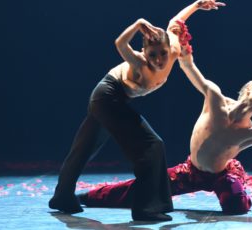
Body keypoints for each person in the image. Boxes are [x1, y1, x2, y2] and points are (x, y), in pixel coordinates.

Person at [76, 26, 252, 214]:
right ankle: (87, 196)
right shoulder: (215, 98)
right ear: (247, 91)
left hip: (221, 175)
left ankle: (237, 184)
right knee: (143, 191)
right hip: (190, 172)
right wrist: (184, 47)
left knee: (236, 206)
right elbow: (190, 69)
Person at [48, 0, 226, 222]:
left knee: (84, 148)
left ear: (170, 49)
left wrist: (198, 5)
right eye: (152, 55)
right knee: (152, 145)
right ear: (144, 52)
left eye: (162, 53)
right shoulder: (139, 62)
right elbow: (120, 43)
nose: (158, 60)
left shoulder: (173, 48)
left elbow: (175, 22)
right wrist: (139, 23)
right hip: (107, 97)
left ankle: (61, 198)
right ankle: (146, 209)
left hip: (113, 99)